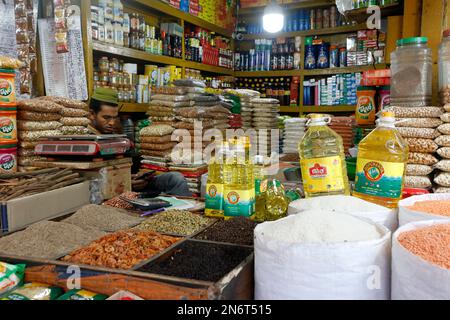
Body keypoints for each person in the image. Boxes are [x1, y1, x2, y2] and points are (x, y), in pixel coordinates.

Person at [88, 88, 192, 197]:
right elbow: (92, 179)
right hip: (109, 190)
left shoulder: (113, 134)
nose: (112, 123)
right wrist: (126, 183)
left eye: (115, 118)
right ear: (91, 114)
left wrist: (136, 177)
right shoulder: (85, 139)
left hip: (129, 184)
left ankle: (184, 212)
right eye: (106, 118)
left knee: (175, 179)